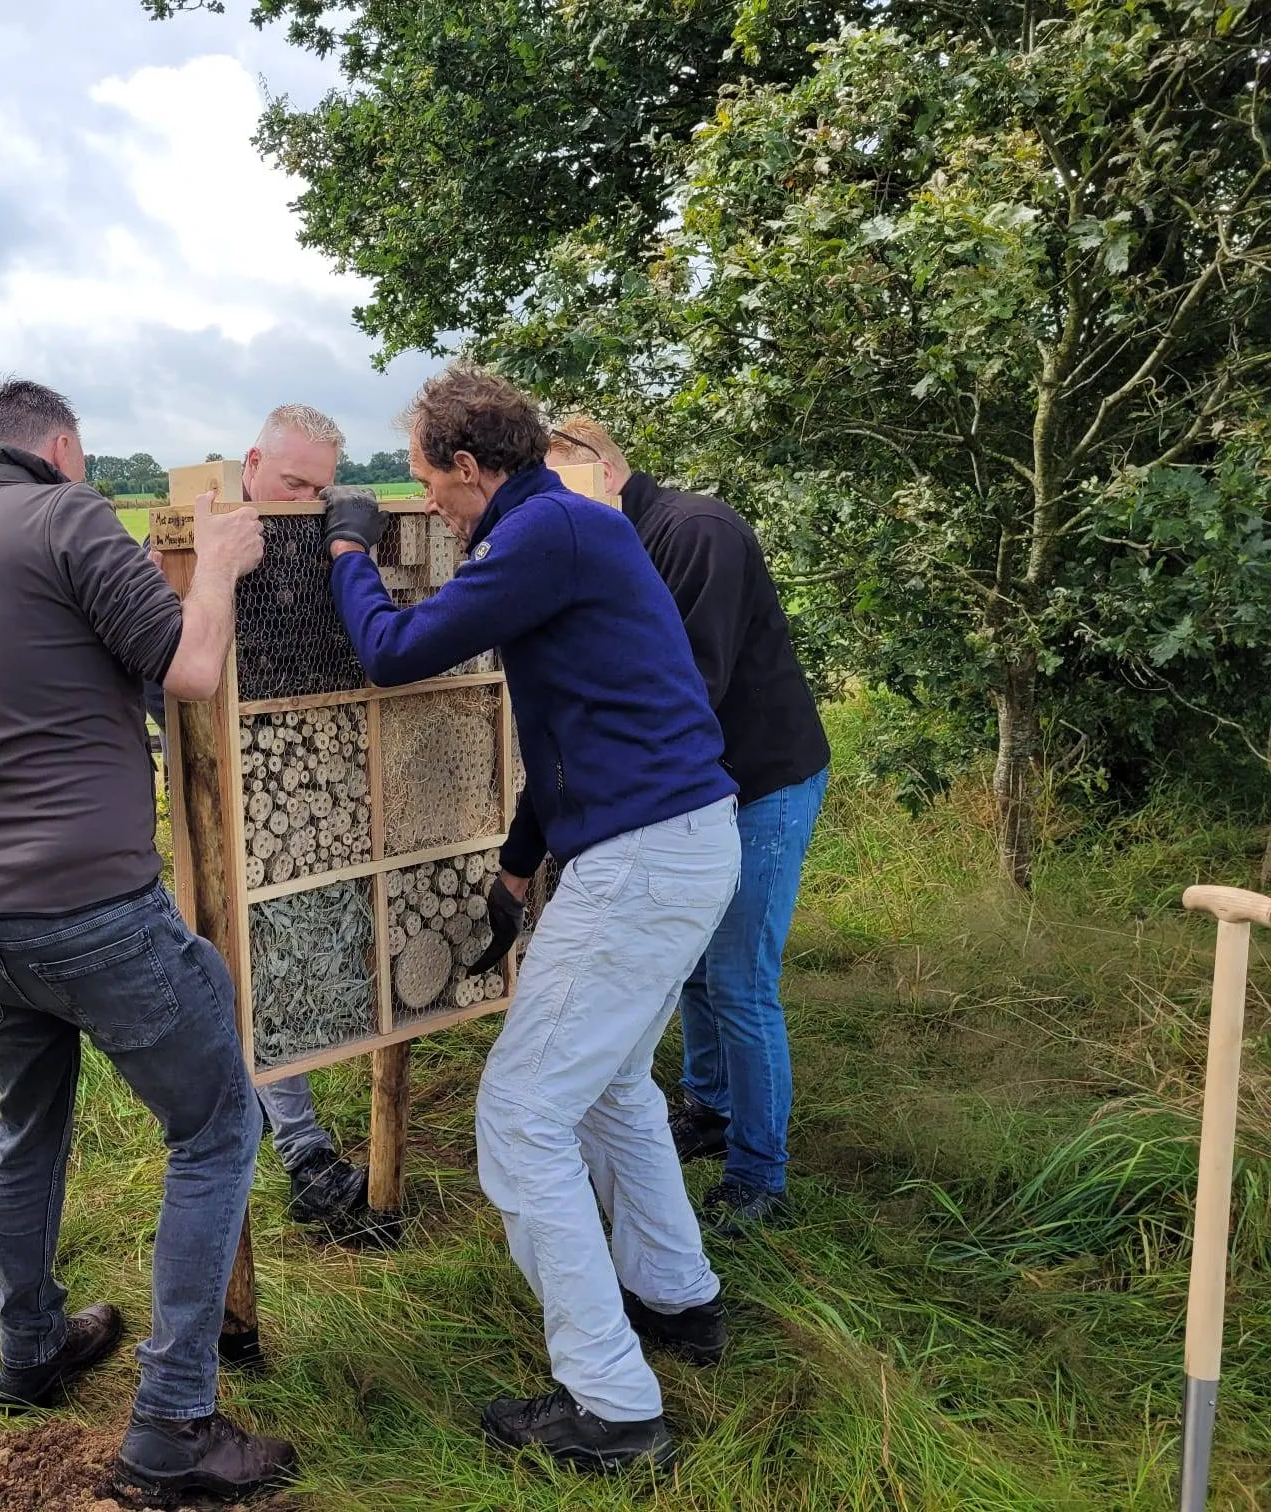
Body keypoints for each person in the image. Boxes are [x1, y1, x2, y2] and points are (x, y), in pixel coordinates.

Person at [319, 367, 740, 1476]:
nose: (428, 500)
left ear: (469, 467)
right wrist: (514, 879)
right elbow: (569, 731)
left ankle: (614, 1408)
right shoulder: (570, 530)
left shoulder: (541, 533)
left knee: (519, 1117)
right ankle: (677, 1298)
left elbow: (393, 653)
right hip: (680, 842)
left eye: (427, 479)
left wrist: (350, 550)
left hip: (642, 862)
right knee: (611, 1086)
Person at [0, 379, 297, 1501]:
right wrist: (217, 565)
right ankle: (172, 1425)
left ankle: (30, 1347)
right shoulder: (68, 516)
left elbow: (46, 674)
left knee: (29, 1127)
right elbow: (190, 671)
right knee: (216, 1125)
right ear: (62, 447)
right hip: (93, 906)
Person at [546, 417, 830, 1234]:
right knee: (697, 965)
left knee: (741, 980)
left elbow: (687, 688)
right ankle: (709, 1108)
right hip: (702, 788)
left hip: (764, 782)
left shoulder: (697, 532)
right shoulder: (617, 543)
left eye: (558, 489)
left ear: (600, 471)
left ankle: (759, 1177)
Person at [145, 403, 375, 1241]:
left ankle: (307, 1138)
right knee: (256, 969)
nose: (305, 500)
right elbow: (160, 678)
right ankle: (303, 1153)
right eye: (291, 482)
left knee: (326, 952)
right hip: (235, 794)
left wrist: (354, 543)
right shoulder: (196, 544)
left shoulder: (327, 540)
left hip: (324, 786)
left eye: (320, 488)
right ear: (250, 464)